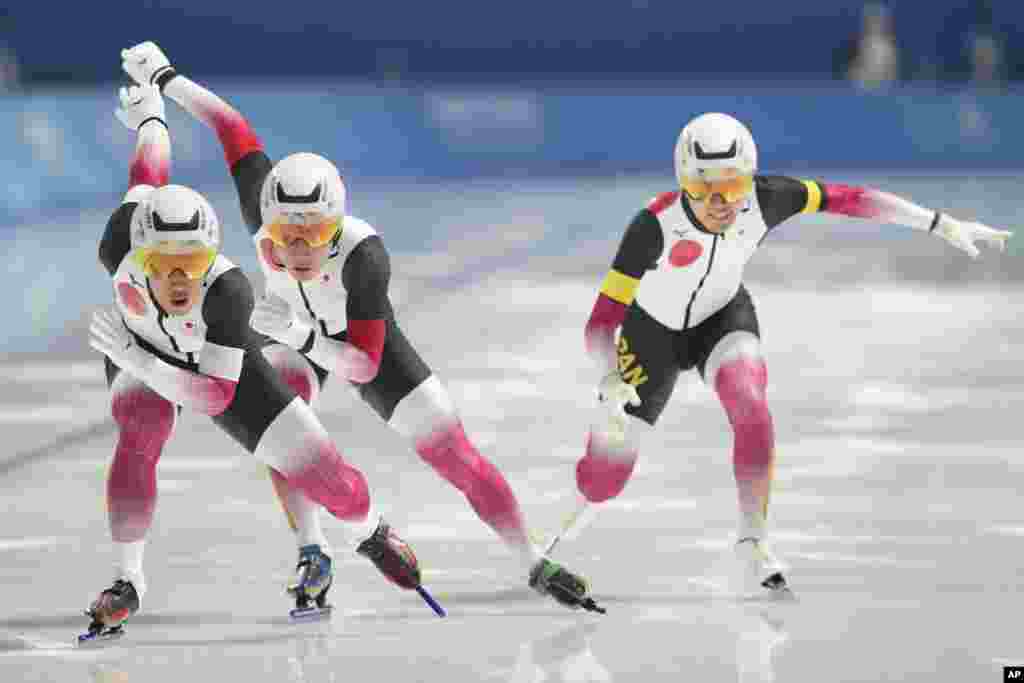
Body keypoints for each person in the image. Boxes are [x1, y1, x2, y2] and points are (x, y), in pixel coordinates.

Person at [118, 41, 598, 613]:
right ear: (264, 219)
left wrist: (298, 333)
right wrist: (168, 78)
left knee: (454, 454)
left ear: (336, 227)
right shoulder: (263, 209)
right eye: (283, 235)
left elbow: (365, 365)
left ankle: (532, 560)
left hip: (355, 342)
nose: (296, 248)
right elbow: (233, 128)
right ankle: (312, 548)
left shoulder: (363, 258)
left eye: (312, 235)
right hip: (293, 335)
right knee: (283, 417)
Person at [573, 111, 1011, 595]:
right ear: (683, 184)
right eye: (703, 190)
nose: (720, 203)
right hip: (649, 335)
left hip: (721, 317)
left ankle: (752, 541)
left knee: (751, 405)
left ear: (750, 177)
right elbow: (600, 325)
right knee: (602, 484)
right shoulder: (652, 226)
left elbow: (851, 200)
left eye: (733, 187)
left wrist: (940, 224)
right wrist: (611, 378)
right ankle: (600, 452)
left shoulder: (769, 197)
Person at [84, 84, 422, 639]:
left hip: (207, 365)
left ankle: (369, 530)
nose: (176, 278)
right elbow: (146, 176)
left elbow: (215, 397)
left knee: (334, 482)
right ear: (136, 254)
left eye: (190, 263)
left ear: (210, 256)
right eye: (161, 263)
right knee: (140, 428)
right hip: (140, 349)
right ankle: (128, 580)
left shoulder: (230, 293)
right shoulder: (117, 242)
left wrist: (138, 362)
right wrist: (150, 119)